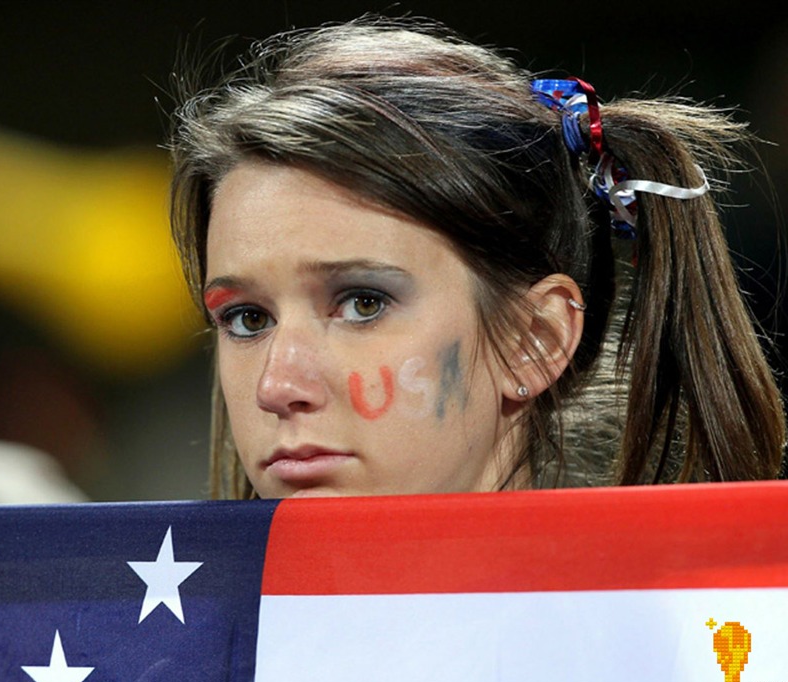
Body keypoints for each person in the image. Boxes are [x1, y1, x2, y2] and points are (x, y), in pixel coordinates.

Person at [168, 16, 785, 500]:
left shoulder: (695, 653)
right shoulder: (148, 660)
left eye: (362, 302)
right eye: (247, 318)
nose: (278, 386)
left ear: (535, 338)